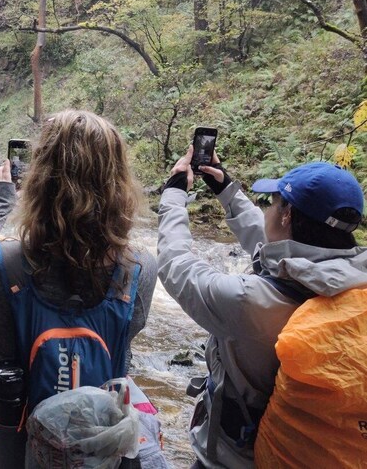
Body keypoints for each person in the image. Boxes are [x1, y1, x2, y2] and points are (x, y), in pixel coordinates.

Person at [0, 110, 158, 466]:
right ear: (120, 184)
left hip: (8, 447)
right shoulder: (139, 270)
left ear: (38, 180)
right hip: (94, 451)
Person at [157, 147, 367, 468]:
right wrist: (226, 190)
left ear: (287, 216)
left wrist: (173, 196)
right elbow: (275, 247)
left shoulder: (250, 302)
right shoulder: (352, 281)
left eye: (272, 203)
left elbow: (177, 267)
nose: (266, 209)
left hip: (233, 459)